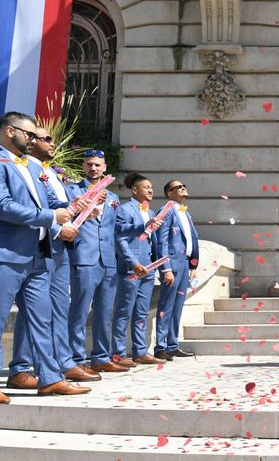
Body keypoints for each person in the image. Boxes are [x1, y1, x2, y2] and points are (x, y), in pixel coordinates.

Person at [0, 112, 90, 401]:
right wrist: (52, 216)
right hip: (4, 255)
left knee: (42, 319)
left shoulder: (31, 168)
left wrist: (73, 205)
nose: (34, 140)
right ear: (10, 131)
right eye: (30, 135)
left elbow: (48, 202)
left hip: (38, 255)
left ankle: (49, 378)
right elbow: (2, 206)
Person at [13, 128, 100, 383]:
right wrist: (57, 227)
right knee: (33, 309)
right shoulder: (26, 167)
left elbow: (57, 206)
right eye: (47, 139)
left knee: (60, 308)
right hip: (42, 244)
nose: (53, 143)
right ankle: (20, 366)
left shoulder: (51, 171)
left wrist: (80, 213)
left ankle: (63, 361)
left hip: (60, 247)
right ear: (32, 142)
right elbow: (33, 209)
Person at [66, 150, 127, 373]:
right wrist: (86, 200)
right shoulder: (72, 191)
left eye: (97, 165)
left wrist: (144, 227)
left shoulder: (113, 198)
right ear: (83, 166)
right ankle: (75, 358)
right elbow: (66, 216)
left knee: (104, 312)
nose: (93, 169)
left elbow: (118, 228)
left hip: (108, 260)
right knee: (79, 310)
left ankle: (101, 356)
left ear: (104, 168)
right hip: (84, 257)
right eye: (90, 165)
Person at [112, 173, 167, 365]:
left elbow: (155, 241)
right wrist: (133, 263)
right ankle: (118, 353)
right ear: (134, 190)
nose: (150, 190)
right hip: (132, 269)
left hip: (149, 269)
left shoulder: (151, 213)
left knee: (142, 312)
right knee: (124, 311)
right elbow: (120, 239)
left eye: (151, 187)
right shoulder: (124, 210)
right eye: (146, 187)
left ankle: (140, 351)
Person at [154, 179, 199, 361]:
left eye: (184, 185)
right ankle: (161, 346)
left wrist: (193, 265)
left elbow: (191, 240)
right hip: (172, 264)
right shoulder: (166, 210)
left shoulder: (184, 212)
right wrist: (166, 268)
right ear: (169, 193)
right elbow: (162, 241)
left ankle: (172, 344)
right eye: (178, 187)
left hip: (184, 262)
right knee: (166, 305)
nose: (183, 188)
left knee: (178, 306)